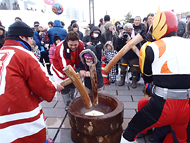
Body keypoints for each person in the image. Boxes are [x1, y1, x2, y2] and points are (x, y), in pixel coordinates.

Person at [122, 8, 190, 143]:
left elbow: (148, 78)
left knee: (129, 132)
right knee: (182, 138)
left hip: (162, 104)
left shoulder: (149, 47)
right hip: (187, 105)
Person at [0, 21, 64, 143]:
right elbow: (43, 86)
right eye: (30, 39)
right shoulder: (24, 55)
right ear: (21, 37)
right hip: (17, 117)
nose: (31, 42)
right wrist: (55, 86)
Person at [52, 31, 84, 110]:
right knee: (65, 86)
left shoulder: (81, 44)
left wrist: (81, 68)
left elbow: (82, 58)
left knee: (73, 83)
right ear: (67, 41)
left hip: (73, 65)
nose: (73, 47)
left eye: (75, 44)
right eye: (71, 45)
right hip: (60, 69)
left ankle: (72, 99)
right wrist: (78, 71)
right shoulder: (61, 48)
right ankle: (68, 104)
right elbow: (65, 68)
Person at [116, 23, 141, 88]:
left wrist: (131, 39)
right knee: (122, 68)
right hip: (124, 55)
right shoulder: (122, 35)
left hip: (133, 55)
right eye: (126, 30)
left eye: (129, 30)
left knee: (134, 69)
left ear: (132, 30)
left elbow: (139, 45)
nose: (127, 31)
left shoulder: (136, 35)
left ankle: (134, 81)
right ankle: (122, 80)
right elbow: (117, 44)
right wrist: (120, 38)